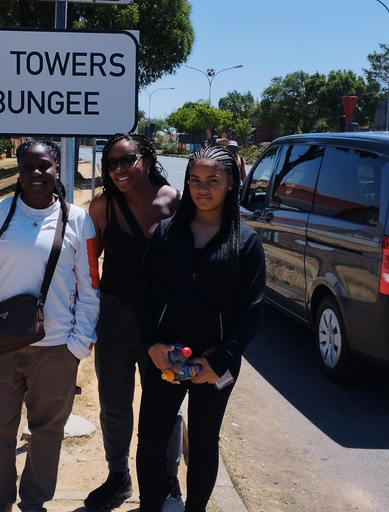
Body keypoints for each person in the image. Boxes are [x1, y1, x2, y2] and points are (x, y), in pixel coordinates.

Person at [0, 140, 100, 512]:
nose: (36, 174)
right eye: (28, 167)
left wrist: (79, 345)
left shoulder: (77, 219)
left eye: (45, 167)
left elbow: (91, 285)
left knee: (47, 432)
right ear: (19, 170)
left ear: (58, 169)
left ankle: (34, 501)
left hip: (57, 349)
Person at [135, 147, 265, 512]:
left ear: (230, 185)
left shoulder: (247, 242)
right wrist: (152, 345)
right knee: (151, 440)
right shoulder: (164, 234)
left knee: (205, 441)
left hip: (215, 362)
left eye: (212, 181)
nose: (202, 189)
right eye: (195, 180)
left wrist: (221, 360)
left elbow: (252, 310)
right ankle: (150, 506)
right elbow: (144, 294)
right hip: (164, 357)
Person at [85, 133, 184, 512]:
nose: (119, 170)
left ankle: (167, 480)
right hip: (114, 316)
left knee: (165, 404)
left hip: (163, 322)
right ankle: (118, 477)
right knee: (114, 404)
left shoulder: (174, 202)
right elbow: (89, 266)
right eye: (111, 163)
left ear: (146, 156)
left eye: (127, 160)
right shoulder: (103, 205)